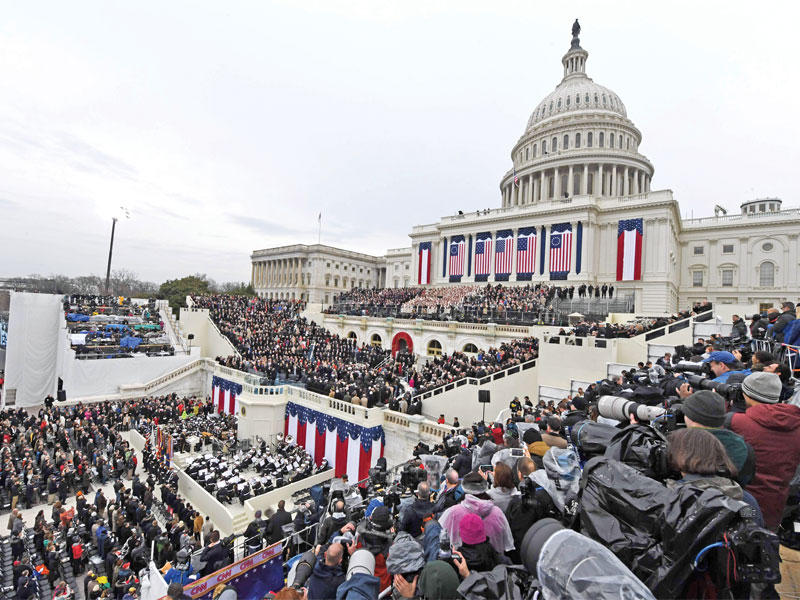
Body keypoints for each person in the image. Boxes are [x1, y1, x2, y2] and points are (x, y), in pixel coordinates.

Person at [728, 372, 800, 530]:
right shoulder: (795, 423)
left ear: (746, 394)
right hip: (775, 505)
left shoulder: (735, 422)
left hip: (738, 503)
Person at [675, 390, 755, 485]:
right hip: (732, 495)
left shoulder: (681, 445)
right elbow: (746, 479)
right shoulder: (743, 447)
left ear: (689, 417)